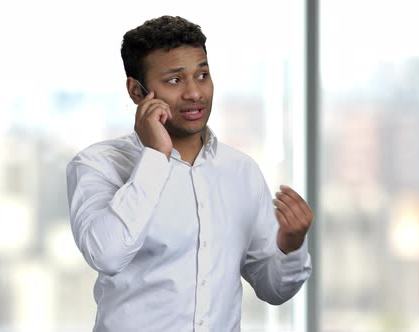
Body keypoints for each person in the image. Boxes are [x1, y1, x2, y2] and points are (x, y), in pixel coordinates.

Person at [66, 15, 314, 332]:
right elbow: (107, 254)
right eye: (175, 80)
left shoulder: (240, 171)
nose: (195, 93)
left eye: (202, 75)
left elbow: (273, 290)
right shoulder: (97, 164)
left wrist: (290, 246)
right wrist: (155, 156)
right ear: (137, 91)